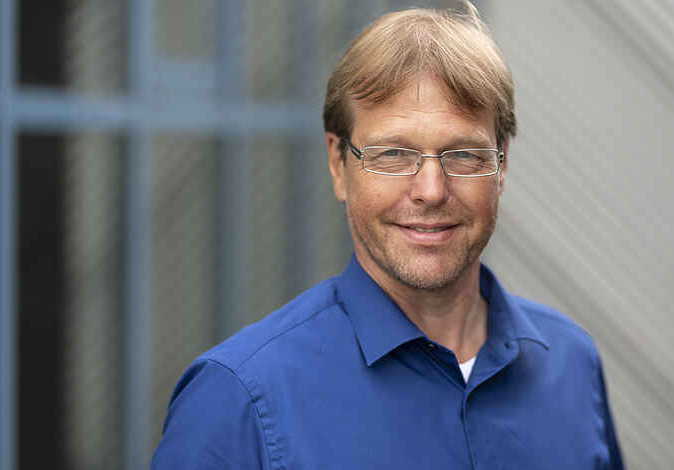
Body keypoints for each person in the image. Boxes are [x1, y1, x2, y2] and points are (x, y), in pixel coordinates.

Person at [151, 2, 624, 468]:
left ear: (501, 165)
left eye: (463, 154)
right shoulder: (238, 402)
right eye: (393, 154)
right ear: (339, 164)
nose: (431, 191)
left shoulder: (571, 363)